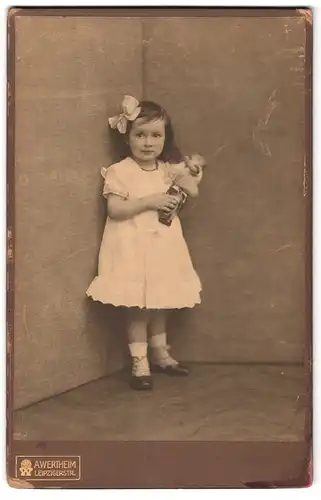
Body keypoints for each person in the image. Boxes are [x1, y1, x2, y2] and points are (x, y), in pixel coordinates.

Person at [86, 95, 205, 391]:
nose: (148, 142)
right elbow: (115, 209)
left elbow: (191, 191)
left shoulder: (167, 169)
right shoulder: (120, 171)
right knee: (138, 307)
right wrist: (150, 200)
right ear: (127, 137)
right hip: (132, 246)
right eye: (140, 134)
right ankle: (140, 361)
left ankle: (161, 353)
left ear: (166, 138)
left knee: (161, 301)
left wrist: (192, 171)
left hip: (163, 245)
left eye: (156, 135)